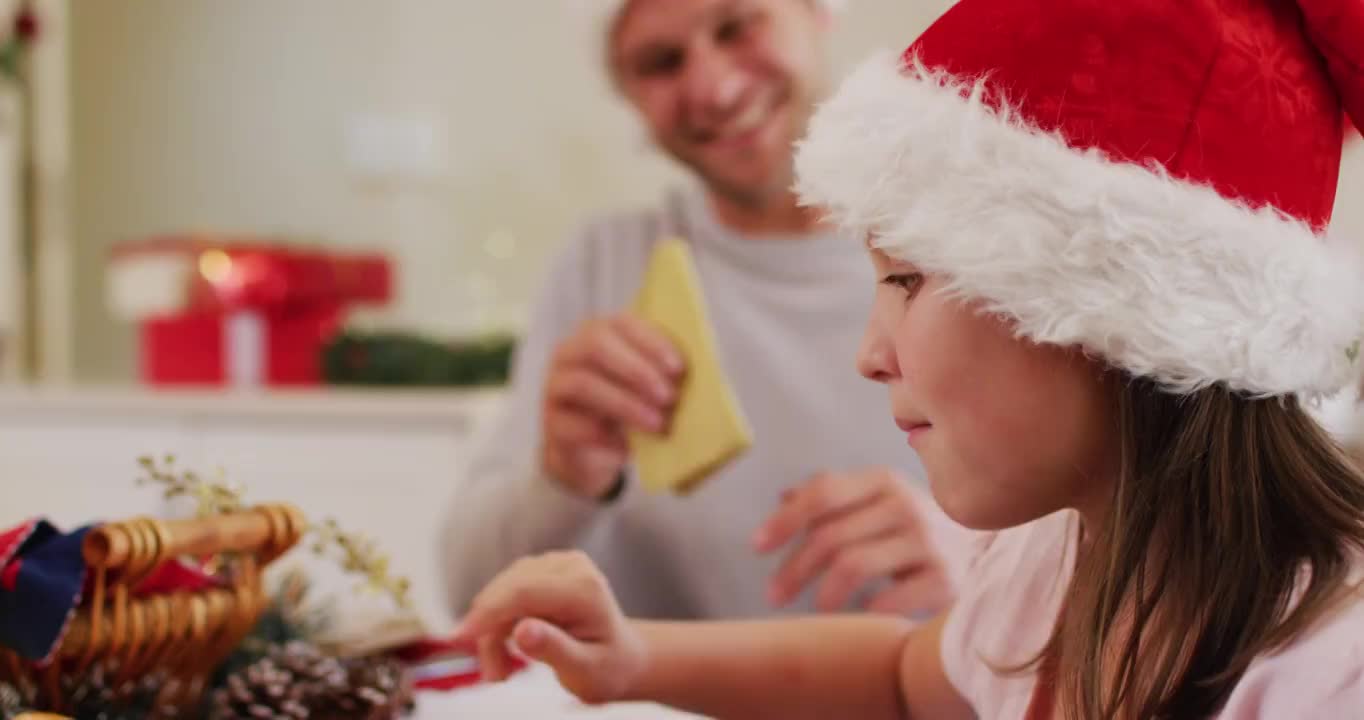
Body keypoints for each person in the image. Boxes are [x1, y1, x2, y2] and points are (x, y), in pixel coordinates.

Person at [451, 0, 1364, 717]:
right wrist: (636, 660)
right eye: (657, 60)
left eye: (908, 280)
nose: (869, 355)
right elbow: (898, 681)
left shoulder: (1327, 677)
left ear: (1105, 307)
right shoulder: (1050, 566)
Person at [439, 0, 970, 622]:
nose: (713, 90)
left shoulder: (968, 246)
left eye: (736, 26)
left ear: (817, 14)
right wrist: (563, 481)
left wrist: (987, 566)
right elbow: (471, 595)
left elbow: (1106, 547)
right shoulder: (605, 267)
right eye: (660, 62)